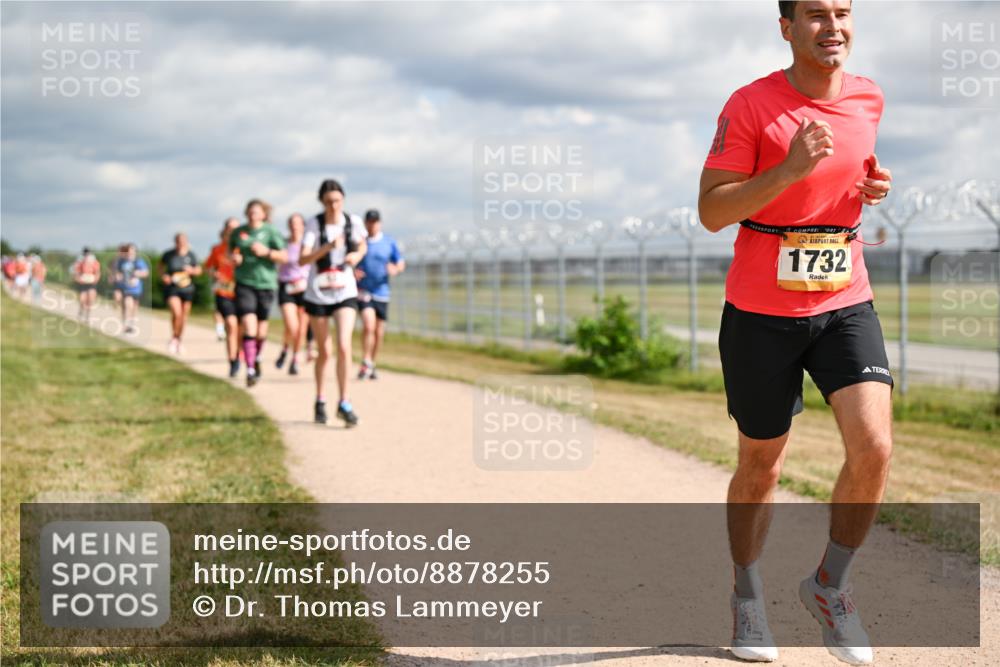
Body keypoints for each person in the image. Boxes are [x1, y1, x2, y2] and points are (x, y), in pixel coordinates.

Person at [698, 2, 893, 663]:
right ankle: (747, 595)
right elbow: (711, 210)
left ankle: (829, 587)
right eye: (815, 13)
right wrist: (785, 171)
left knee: (875, 447)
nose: (832, 25)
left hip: (845, 299)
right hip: (760, 312)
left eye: (842, 11)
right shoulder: (751, 104)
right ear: (786, 27)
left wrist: (870, 188)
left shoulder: (869, 98)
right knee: (762, 464)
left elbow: (846, 177)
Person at [298, 179, 367, 426]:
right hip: (318, 292)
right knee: (325, 351)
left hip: (345, 290)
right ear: (322, 202)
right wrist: (326, 247)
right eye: (328, 202)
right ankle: (320, 399)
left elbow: (362, 246)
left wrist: (355, 255)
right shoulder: (313, 224)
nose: (334, 206)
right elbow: (303, 259)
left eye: (337, 201)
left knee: (344, 346)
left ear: (343, 200)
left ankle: (344, 402)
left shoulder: (353, 222)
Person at [229, 199, 287, 387]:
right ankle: (251, 368)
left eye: (256, 211)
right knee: (249, 325)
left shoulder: (271, 232)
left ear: (263, 214)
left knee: (261, 332)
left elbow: (284, 256)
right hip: (244, 283)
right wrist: (235, 258)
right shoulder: (238, 233)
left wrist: (267, 252)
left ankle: (257, 356)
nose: (252, 214)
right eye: (250, 211)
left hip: (266, 284)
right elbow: (232, 253)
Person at [355, 209, 405, 380]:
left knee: (379, 332)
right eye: (369, 221)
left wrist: (395, 269)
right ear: (365, 223)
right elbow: (350, 260)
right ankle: (365, 360)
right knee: (368, 326)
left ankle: (372, 363)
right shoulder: (360, 242)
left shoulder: (389, 243)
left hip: (382, 292)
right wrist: (353, 272)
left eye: (375, 221)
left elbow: (400, 262)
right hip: (364, 291)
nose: (372, 225)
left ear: (380, 223)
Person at [205, 218, 242, 377]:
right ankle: (232, 360)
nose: (232, 231)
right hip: (223, 291)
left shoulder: (243, 248)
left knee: (242, 328)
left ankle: (239, 354)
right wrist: (215, 273)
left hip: (242, 290)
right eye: (230, 228)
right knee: (231, 324)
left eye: (236, 228)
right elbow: (208, 267)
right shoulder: (217, 249)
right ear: (225, 230)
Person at [275, 213, 311, 376]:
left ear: (303, 225)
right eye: (291, 223)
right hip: (287, 286)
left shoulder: (309, 244)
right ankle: (285, 348)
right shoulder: (283, 244)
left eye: (297, 223)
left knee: (302, 329)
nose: (294, 226)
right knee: (293, 326)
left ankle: (294, 358)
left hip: (304, 288)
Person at [160, 233, 202, 354]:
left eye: (183, 241)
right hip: (173, 287)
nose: (181, 243)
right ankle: (174, 338)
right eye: (178, 241)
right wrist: (164, 276)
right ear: (175, 242)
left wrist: (192, 270)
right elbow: (160, 267)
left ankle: (178, 339)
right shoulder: (169, 254)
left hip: (187, 288)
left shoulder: (191, 255)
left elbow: (199, 270)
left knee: (183, 317)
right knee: (177, 313)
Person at [112, 244, 149, 334]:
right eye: (128, 251)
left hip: (136, 288)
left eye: (132, 251)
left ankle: (131, 324)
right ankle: (126, 325)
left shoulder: (139, 261)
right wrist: (117, 276)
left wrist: (137, 274)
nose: (130, 253)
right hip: (125, 287)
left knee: (134, 306)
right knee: (127, 304)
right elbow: (116, 271)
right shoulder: (122, 261)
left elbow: (146, 273)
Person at [71, 247, 101, 320]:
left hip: (92, 283)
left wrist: (95, 280)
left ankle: (87, 316)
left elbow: (97, 272)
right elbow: (76, 272)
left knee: (90, 300)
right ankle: (81, 312)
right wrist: (78, 279)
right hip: (83, 283)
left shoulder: (94, 262)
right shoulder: (80, 262)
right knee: (82, 299)